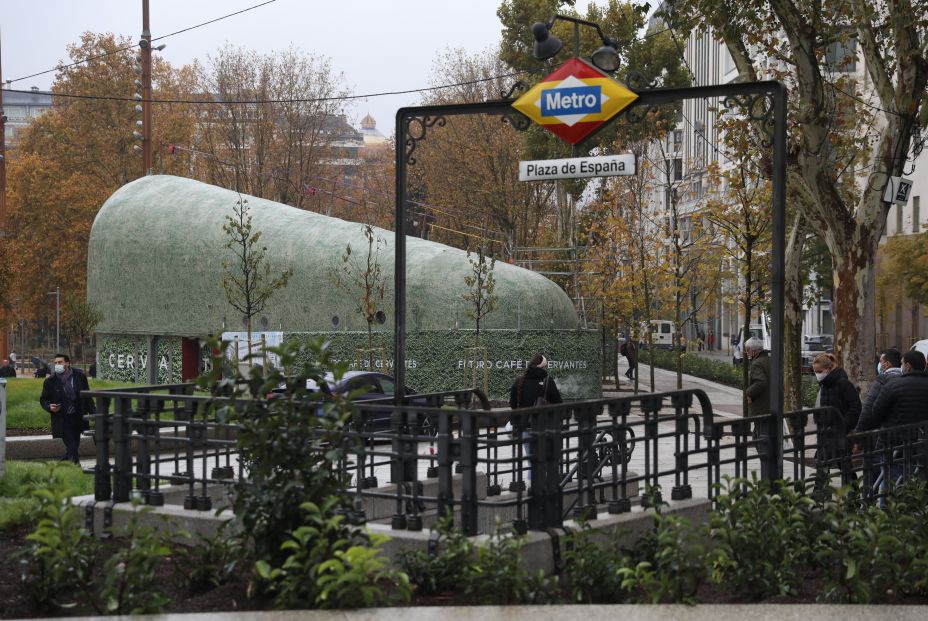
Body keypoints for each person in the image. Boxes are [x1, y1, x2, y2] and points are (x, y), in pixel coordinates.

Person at [39, 353, 95, 463]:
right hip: (62, 419)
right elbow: (43, 399)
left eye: (60, 362)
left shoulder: (80, 376)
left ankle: (59, 466)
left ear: (68, 363)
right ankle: (77, 469)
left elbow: (87, 396)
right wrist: (49, 407)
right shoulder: (50, 381)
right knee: (72, 447)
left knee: (73, 447)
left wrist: (94, 412)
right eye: (55, 363)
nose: (57, 365)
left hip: (78, 416)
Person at [856, 348, 903, 431]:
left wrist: (859, 431)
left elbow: (868, 408)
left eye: (881, 361)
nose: (880, 364)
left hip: (885, 431)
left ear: (887, 364)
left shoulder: (882, 380)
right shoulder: (905, 379)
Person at [743, 337, 770, 417]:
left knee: (760, 428)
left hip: (761, 406)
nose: (746, 352)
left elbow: (760, 382)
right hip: (771, 404)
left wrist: (748, 393)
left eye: (748, 349)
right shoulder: (769, 360)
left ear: (754, 350)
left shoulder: (757, 363)